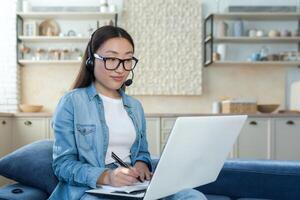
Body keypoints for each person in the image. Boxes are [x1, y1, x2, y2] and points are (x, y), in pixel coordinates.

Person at [48, 25, 207, 200]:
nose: (121, 69)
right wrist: (106, 176)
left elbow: (142, 153)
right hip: (91, 189)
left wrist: (141, 165)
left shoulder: (135, 107)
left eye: (127, 60)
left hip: (131, 185)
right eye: (111, 59)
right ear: (91, 60)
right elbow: (62, 165)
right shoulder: (72, 102)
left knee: (193, 196)